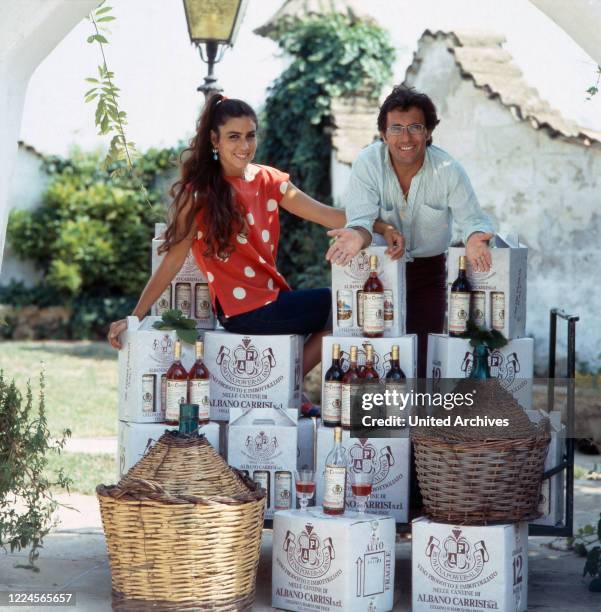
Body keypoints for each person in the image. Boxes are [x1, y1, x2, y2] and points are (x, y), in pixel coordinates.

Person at [107, 94, 345, 378]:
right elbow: (173, 259)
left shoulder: (270, 181)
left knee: (345, 305)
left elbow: (328, 215)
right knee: (341, 306)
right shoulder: (198, 194)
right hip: (244, 311)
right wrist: (136, 315)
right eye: (233, 137)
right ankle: (290, 387)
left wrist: (378, 226)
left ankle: (286, 388)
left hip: (273, 300)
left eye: (250, 136)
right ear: (214, 140)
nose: (244, 146)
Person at [326, 85, 495, 377]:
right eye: (396, 128)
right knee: (375, 356)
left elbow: (473, 221)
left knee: (422, 359)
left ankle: (417, 422)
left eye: (415, 127)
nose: (406, 138)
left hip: (429, 274)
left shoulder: (447, 169)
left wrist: (475, 239)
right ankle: (376, 419)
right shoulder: (368, 162)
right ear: (383, 134)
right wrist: (356, 234)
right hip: (377, 274)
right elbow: (362, 220)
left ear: (428, 132)